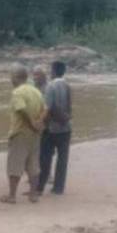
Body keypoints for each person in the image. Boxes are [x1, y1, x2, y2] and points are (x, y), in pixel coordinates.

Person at [0, 65, 46, 204]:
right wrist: (38, 122)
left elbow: (21, 110)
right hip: (35, 133)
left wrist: (32, 122)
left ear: (16, 77)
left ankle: (12, 196)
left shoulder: (17, 92)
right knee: (33, 164)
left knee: (15, 165)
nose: (10, 80)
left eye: (11, 77)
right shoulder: (36, 91)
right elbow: (45, 109)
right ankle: (33, 195)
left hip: (20, 132)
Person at [37, 61, 72, 195]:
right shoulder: (67, 85)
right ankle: (58, 188)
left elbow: (47, 108)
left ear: (53, 71)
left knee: (45, 158)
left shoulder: (50, 86)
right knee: (62, 159)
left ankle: (40, 187)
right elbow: (69, 107)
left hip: (51, 129)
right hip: (66, 127)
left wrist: (39, 122)